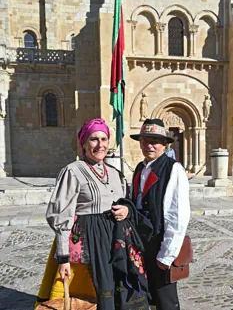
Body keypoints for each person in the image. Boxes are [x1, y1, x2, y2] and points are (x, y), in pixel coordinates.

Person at [35, 118, 150, 310]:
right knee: (96, 295)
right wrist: (63, 259)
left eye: (104, 139)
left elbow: (125, 202)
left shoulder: (114, 173)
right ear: (84, 143)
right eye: (94, 139)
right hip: (90, 243)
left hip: (116, 240)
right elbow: (61, 215)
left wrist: (126, 210)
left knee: (122, 288)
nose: (100, 145)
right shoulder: (72, 171)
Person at [130, 118, 190, 310]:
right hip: (141, 244)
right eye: (145, 140)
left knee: (166, 300)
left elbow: (178, 214)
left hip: (159, 243)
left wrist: (167, 253)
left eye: (155, 141)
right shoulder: (140, 168)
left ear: (164, 144)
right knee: (147, 296)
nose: (149, 145)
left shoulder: (173, 169)